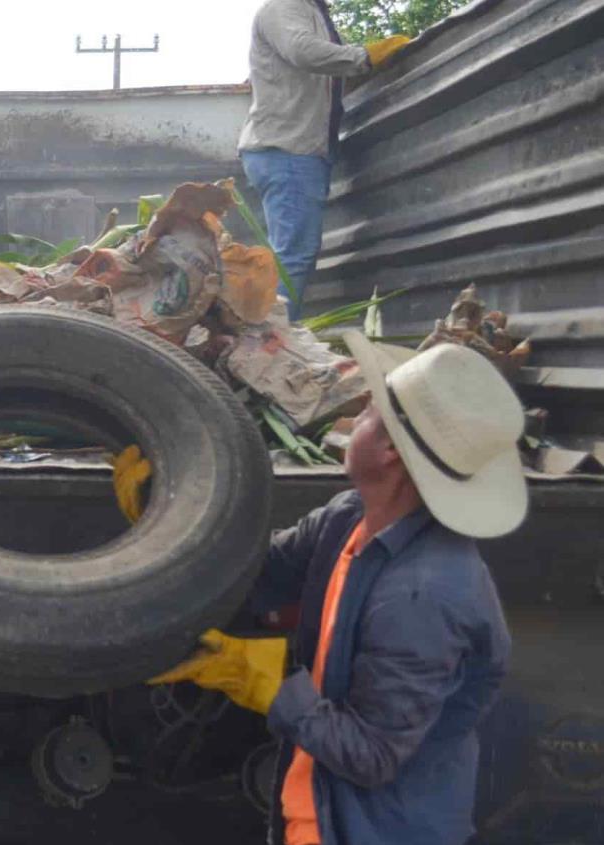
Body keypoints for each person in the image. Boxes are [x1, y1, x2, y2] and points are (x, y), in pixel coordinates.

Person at [152, 331, 520, 845]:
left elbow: (371, 756)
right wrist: (158, 525)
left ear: (391, 449)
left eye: (368, 413)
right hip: (317, 810)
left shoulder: (425, 595)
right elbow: (254, 576)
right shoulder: (349, 517)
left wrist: (270, 686)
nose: (352, 423)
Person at [238, 0, 412, 317]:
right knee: (294, 255)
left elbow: (325, 72)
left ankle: (270, 336)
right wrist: (364, 56)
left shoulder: (313, 13)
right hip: (287, 150)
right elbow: (303, 51)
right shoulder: (285, 7)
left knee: (294, 252)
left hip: (294, 150)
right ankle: (269, 343)